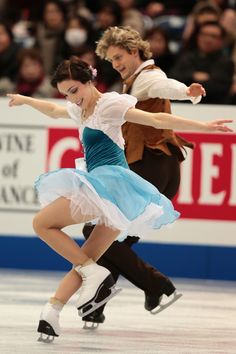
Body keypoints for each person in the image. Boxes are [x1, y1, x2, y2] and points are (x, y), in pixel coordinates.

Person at [7, 57, 232, 342]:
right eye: (66, 94)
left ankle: (93, 273)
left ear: (89, 82)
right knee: (86, 257)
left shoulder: (109, 104)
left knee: (42, 224)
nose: (71, 99)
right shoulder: (81, 109)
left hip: (108, 184)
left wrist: (203, 126)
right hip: (115, 195)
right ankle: (52, 311)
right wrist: (26, 99)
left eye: (74, 91)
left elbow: (156, 119)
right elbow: (52, 110)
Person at [80, 25, 206, 328]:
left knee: (93, 232)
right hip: (162, 170)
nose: (116, 65)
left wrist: (186, 92)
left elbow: (164, 86)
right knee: (113, 239)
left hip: (150, 166)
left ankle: (156, 285)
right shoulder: (133, 82)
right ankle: (96, 304)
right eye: (111, 61)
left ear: (135, 52)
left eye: (119, 57)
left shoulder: (148, 77)